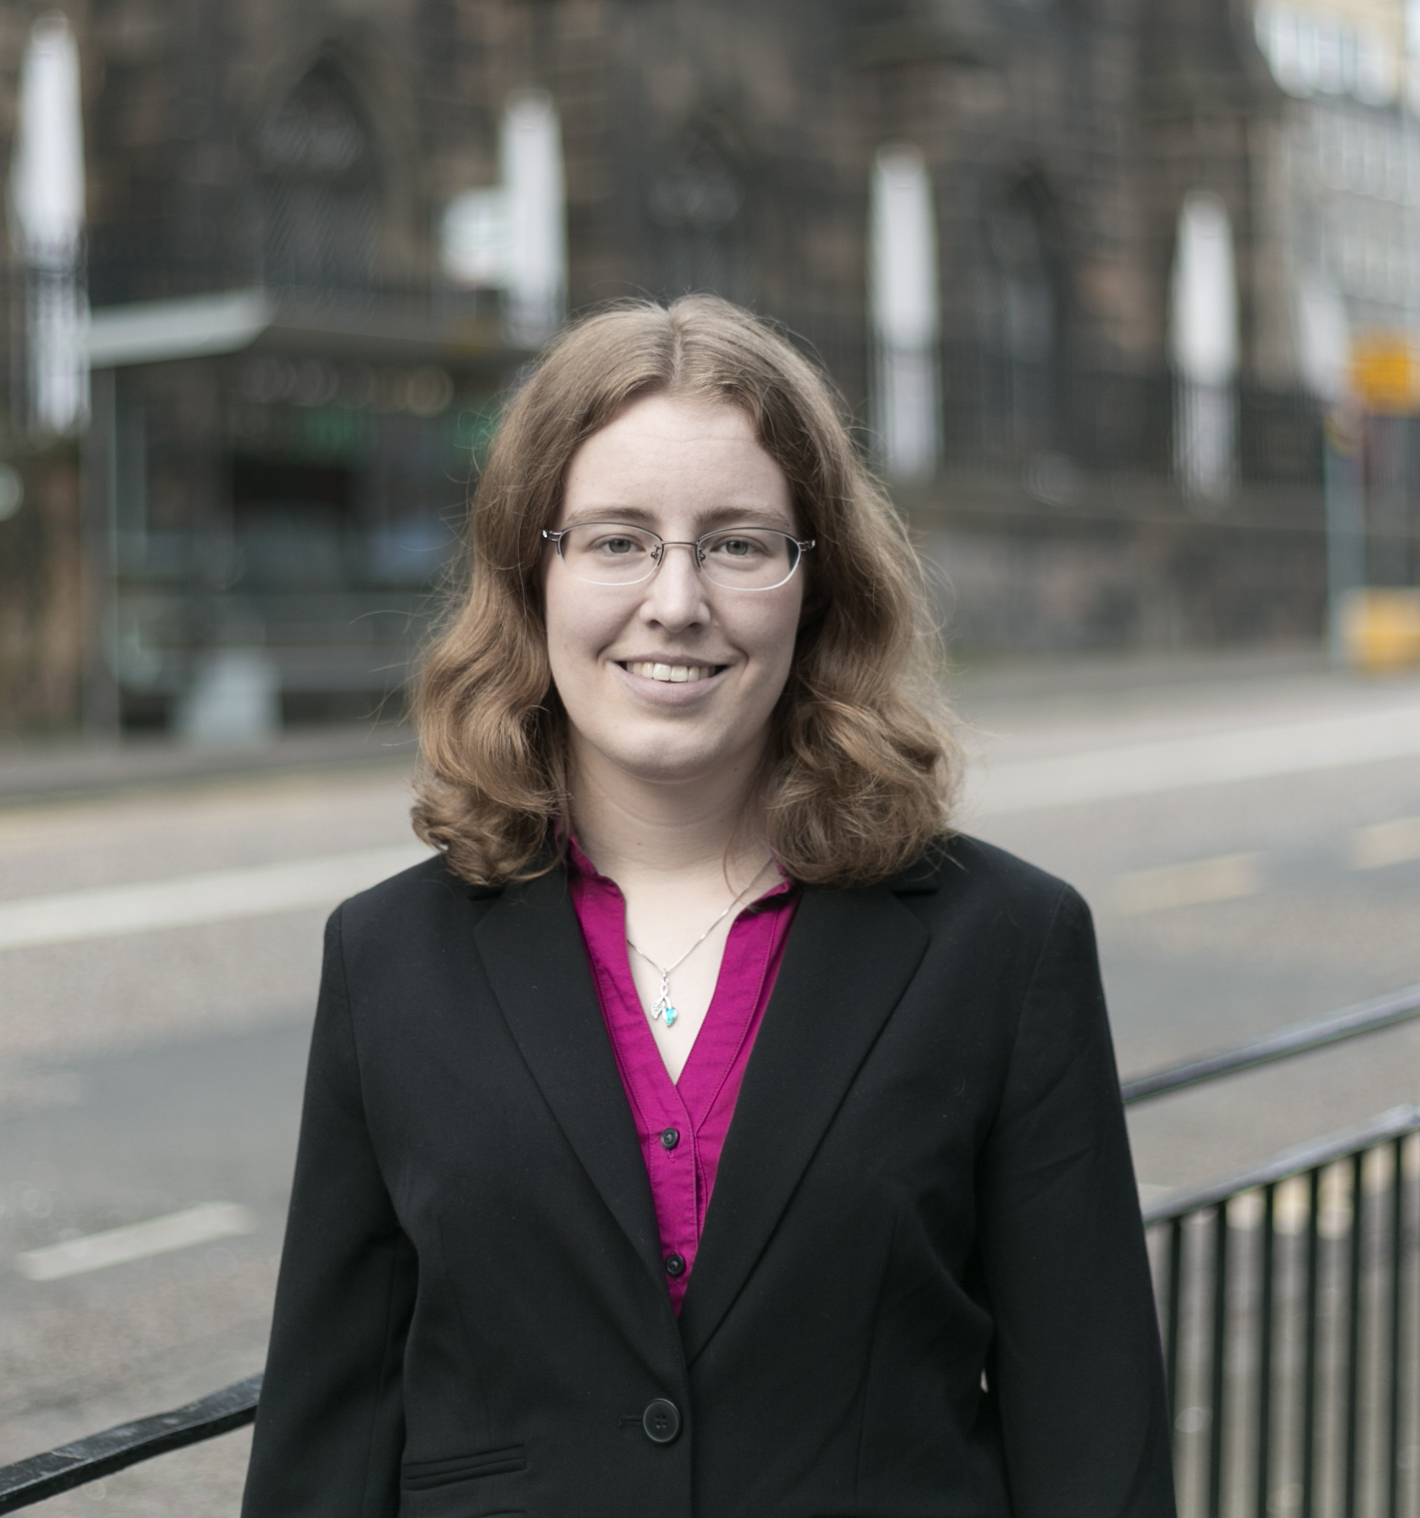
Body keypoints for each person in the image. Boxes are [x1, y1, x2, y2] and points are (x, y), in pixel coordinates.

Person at [241, 296, 1173, 1518]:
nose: (676, 601)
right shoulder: (385, 960)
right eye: (618, 540)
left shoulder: (1005, 946)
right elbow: (328, 1436)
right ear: (536, 573)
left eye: (737, 543)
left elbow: (1092, 1440)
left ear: (815, 586)